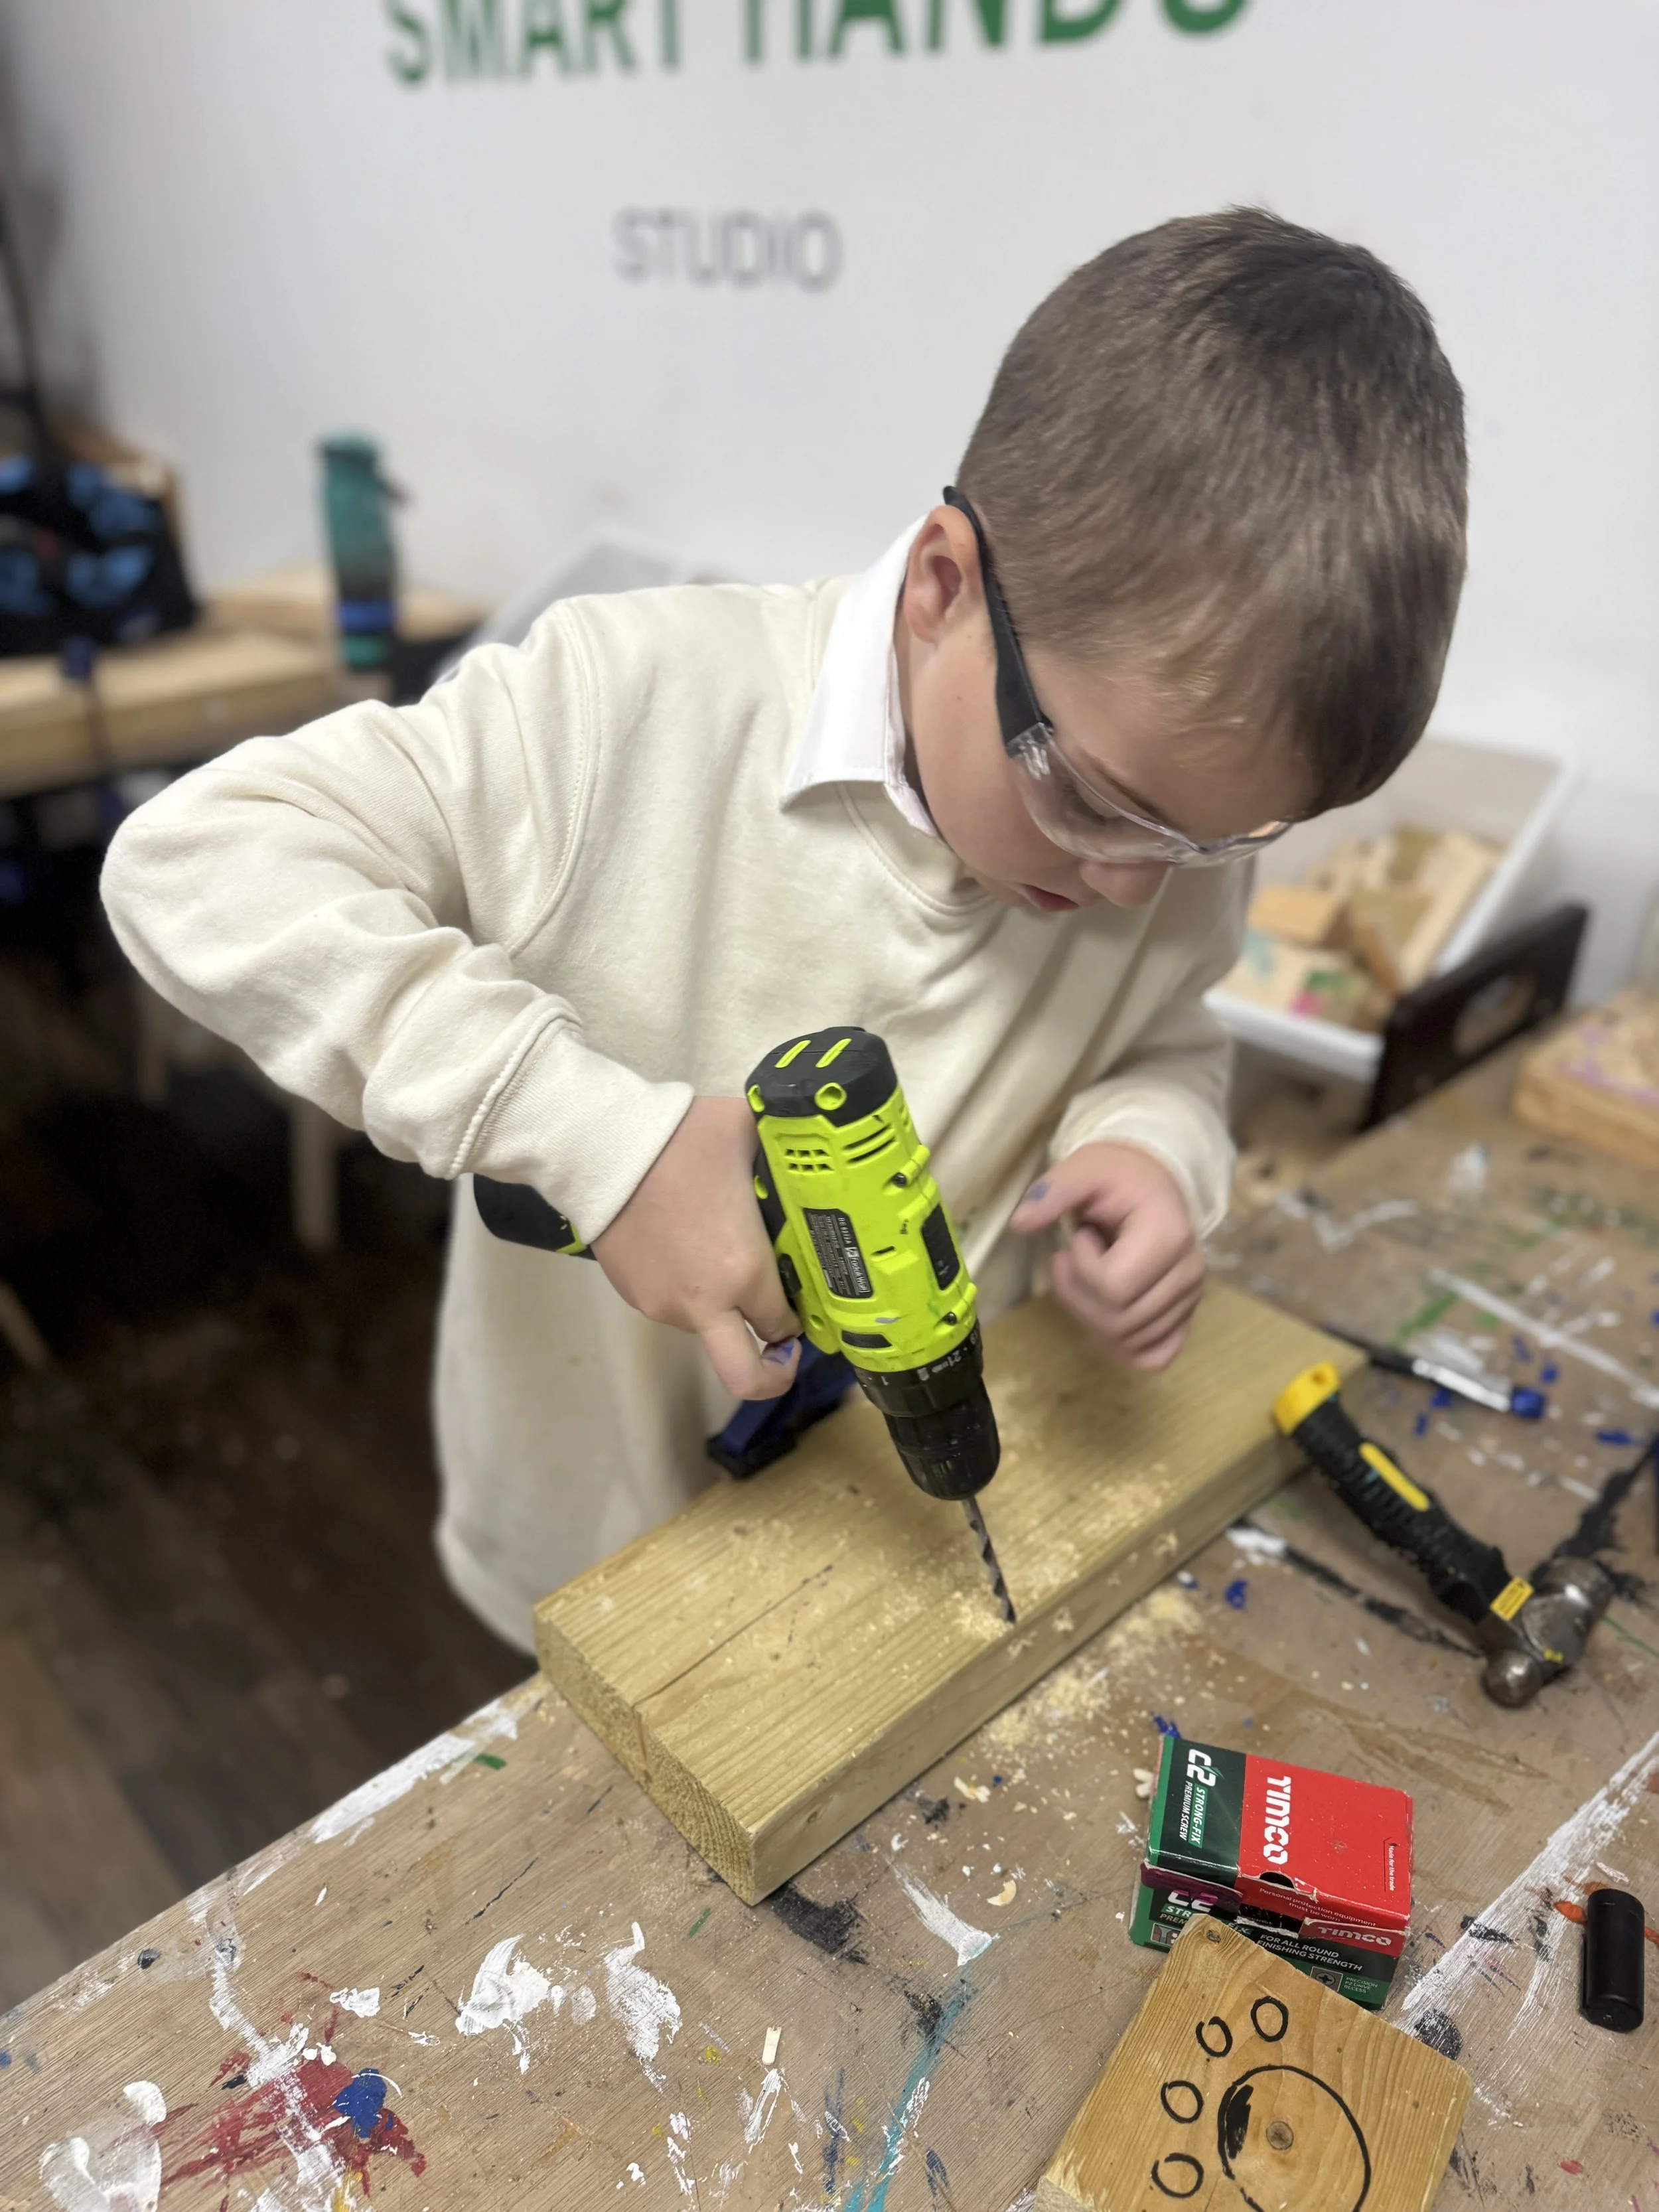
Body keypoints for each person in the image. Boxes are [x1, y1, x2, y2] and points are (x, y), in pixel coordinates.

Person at [102, 209, 1467, 1653]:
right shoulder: (626, 709)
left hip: (882, 1544)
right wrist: (591, 1137)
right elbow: (195, 861)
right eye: (1091, 798)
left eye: (1214, 841)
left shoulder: (1168, 825)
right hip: (591, 1537)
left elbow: (1168, 1028)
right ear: (943, 583)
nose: (1139, 886)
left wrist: (1151, 1143)